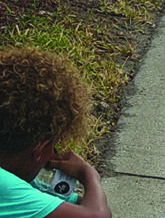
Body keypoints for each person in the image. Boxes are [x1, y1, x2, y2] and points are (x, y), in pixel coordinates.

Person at [0, 45, 111, 218]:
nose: (53, 154)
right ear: (39, 149)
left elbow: (78, 204)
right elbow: (97, 215)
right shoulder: (5, 186)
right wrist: (88, 173)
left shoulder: (15, 181)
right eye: (55, 144)